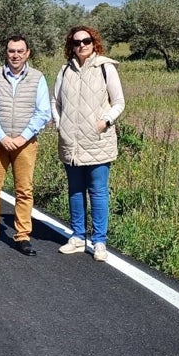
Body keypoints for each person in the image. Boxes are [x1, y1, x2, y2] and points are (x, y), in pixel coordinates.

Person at [52, 26, 125, 263]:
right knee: (75, 190)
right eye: (76, 42)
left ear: (94, 42)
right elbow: (56, 101)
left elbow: (119, 102)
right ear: (70, 46)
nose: (81, 45)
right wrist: (59, 123)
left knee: (98, 191)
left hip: (97, 140)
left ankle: (100, 241)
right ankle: (77, 236)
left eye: (86, 41)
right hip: (70, 141)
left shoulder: (106, 68)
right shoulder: (65, 70)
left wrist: (105, 121)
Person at [0, 35, 51, 256]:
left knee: (24, 190)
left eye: (19, 51)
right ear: (6, 53)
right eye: (11, 51)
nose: (15, 55)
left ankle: (22, 236)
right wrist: (2, 136)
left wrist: (22, 137)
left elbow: (42, 112)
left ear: (27, 53)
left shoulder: (38, 78)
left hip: (25, 143)